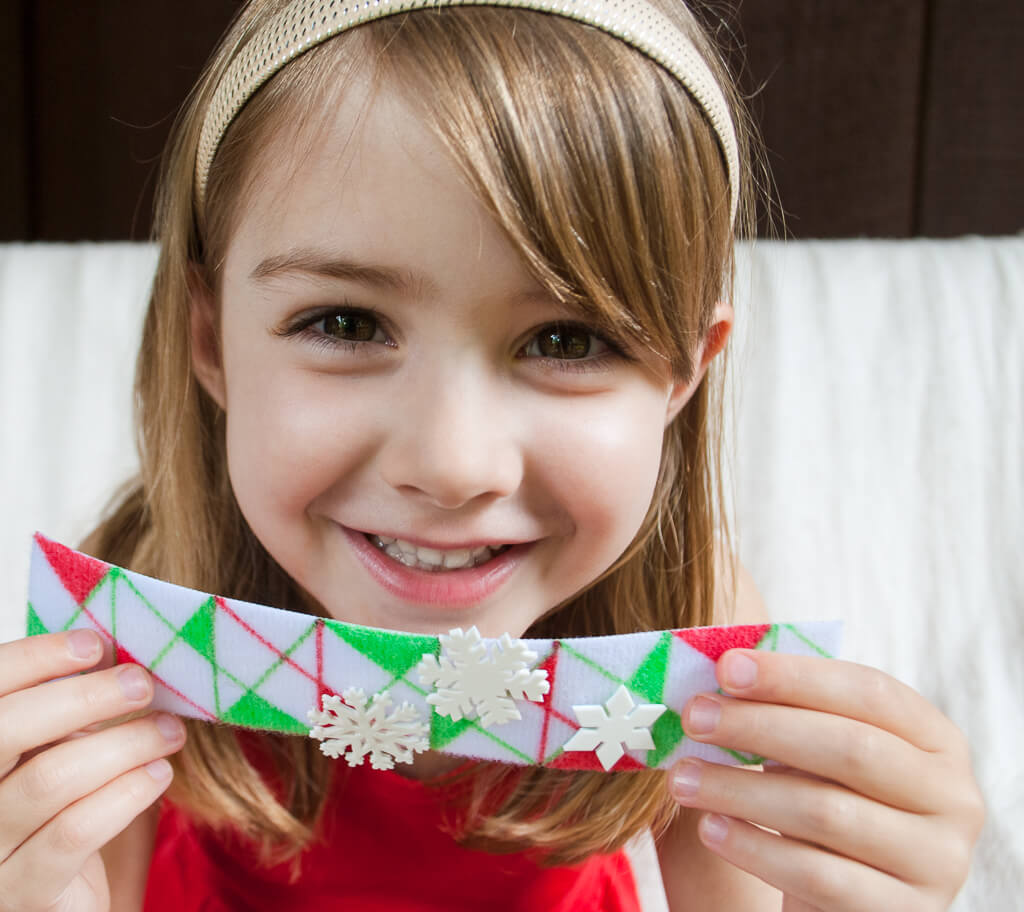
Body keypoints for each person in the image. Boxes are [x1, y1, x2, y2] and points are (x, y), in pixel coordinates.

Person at [0, 0, 984, 909]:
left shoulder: (697, 620)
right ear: (209, 340)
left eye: (567, 340)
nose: (452, 463)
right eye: (344, 321)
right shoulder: (137, 610)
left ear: (683, 373)